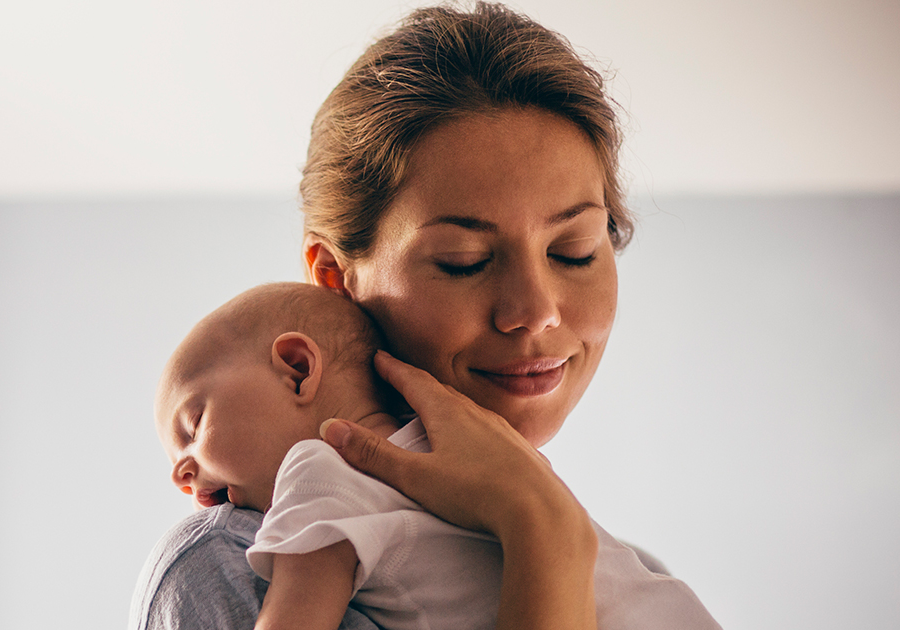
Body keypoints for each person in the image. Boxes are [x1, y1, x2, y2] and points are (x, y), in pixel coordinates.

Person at [130, 3, 721, 629]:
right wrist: (544, 537)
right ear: (336, 278)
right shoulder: (229, 562)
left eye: (572, 252)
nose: (536, 312)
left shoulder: (632, 574)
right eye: (464, 261)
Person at [151, 281, 717, 630]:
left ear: (297, 369)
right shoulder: (487, 461)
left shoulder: (319, 471)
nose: (181, 470)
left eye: (194, 424)